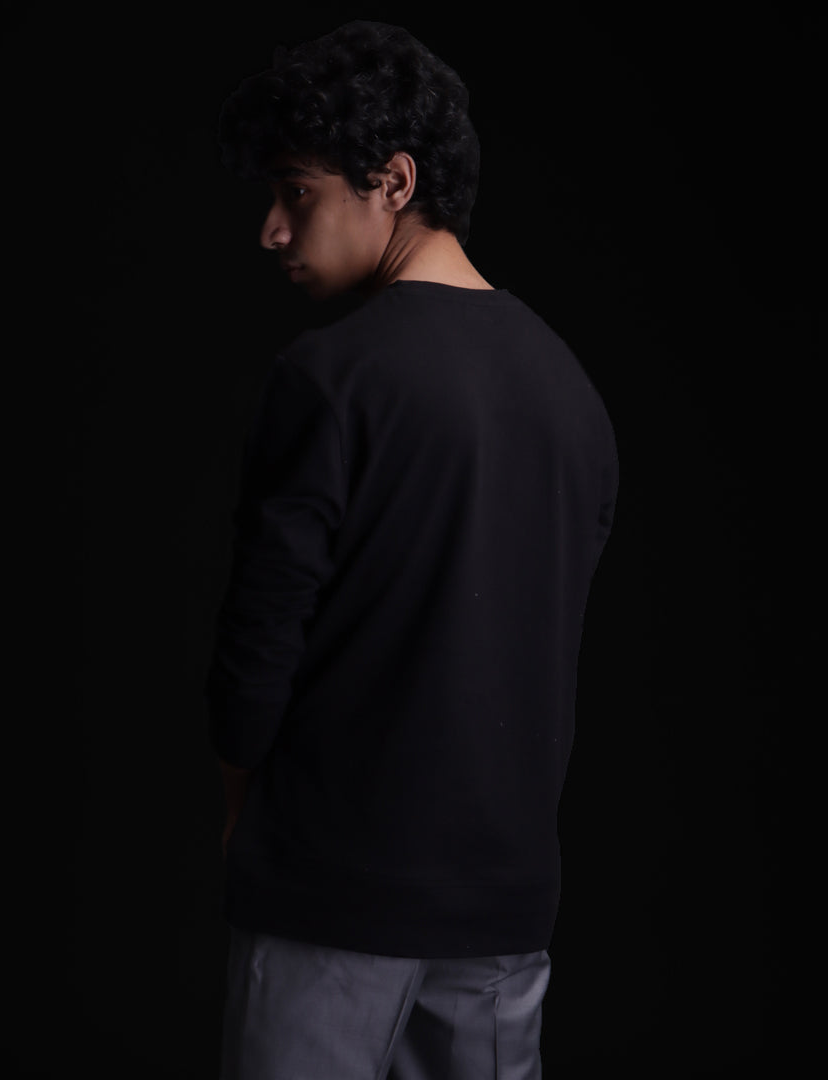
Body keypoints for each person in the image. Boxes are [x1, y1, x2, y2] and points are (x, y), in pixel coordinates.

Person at [205, 20, 618, 1080]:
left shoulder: (329, 378)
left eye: (296, 192)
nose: (271, 229)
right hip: (503, 908)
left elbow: (259, 647)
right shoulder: (572, 394)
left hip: (330, 894)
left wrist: (243, 814)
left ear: (393, 181)